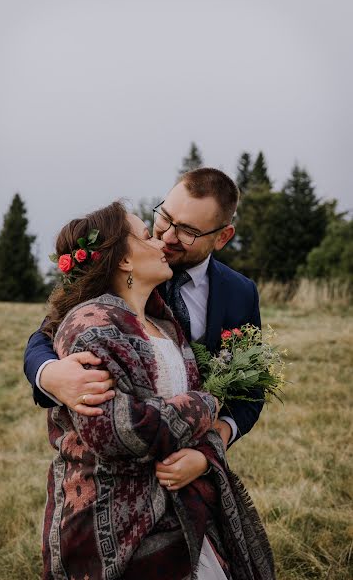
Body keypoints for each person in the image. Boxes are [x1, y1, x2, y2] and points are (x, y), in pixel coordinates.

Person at [40, 201, 275, 579]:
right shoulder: (90, 322)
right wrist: (205, 403)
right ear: (124, 261)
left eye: (185, 231)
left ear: (222, 235)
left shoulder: (167, 325)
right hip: (114, 519)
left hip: (184, 507)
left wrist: (203, 452)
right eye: (151, 232)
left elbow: (239, 397)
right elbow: (117, 431)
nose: (164, 241)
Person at [24, 168, 263, 456]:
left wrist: (212, 447)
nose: (167, 236)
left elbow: (251, 386)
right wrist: (49, 375)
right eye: (164, 217)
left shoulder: (240, 293)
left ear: (222, 237)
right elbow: (49, 333)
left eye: (188, 231)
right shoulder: (124, 270)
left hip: (191, 464)